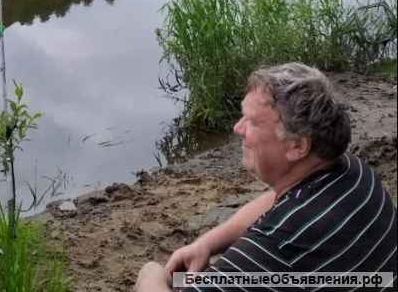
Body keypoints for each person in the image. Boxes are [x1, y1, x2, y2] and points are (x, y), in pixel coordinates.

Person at [135, 63, 397, 291]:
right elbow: (276, 199)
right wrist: (207, 243)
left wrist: (151, 274)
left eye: (251, 121)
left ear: (297, 146)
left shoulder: (277, 246)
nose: (237, 128)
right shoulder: (354, 171)